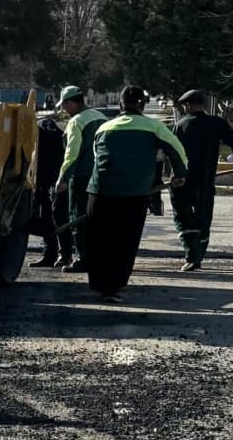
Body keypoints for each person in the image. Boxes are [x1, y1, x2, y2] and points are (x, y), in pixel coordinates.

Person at [78, 85, 189, 302]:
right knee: (125, 241)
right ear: (143, 105)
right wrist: (180, 173)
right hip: (133, 194)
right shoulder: (153, 127)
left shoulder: (104, 128)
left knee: (99, 238)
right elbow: (176, 149)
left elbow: (96, 157)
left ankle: (99, 283)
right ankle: (114, 286)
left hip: (100, 192)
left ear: (120, 104)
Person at [171, 89, 233, 271]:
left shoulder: (181, 125)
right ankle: (198, 256)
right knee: (203, 218)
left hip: (183, 181)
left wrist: (170, 175)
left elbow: (172, 153)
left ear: (187, 106)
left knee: (183, 218)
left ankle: (192, 255)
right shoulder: (217, 123)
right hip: (206, 180)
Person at [55, 87, 104, 272]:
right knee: (96, 218)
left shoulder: (76, 122)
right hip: (101, 176)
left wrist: (63, 178)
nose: (64, 110)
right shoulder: (100, 116)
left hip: (82, 176)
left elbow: (72, 154)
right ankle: (98, 257)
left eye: (64, 106)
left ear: (70, 102)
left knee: (77, 217)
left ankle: (83, 259)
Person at [31, 92, 72, 267]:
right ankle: (60, 254)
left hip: (49, 177)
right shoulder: (69, 125)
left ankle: (56, 253)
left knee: (52, 215)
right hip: (62, 176)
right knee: (58, 215)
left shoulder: (43, 126)